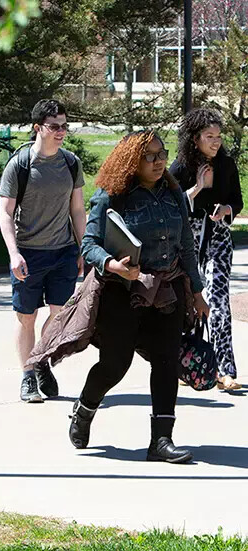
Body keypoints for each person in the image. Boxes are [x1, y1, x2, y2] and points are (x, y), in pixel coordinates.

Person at [67, 130, 209, 463]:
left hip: (168, 292)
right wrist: (113, 265)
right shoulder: (112, 194)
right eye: (151, 156)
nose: (160, 161)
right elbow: (89, 245)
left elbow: (186, 245)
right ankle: (85, 407)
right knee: (115, 364)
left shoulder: (172, 193)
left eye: (162, 154)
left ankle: (161, 441)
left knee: (165, 362)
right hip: (124, 294)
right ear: (133, 160)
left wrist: (198, 290)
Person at [0, 99, 86, 403]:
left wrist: (83, 248)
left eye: (64, 126)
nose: (61, 132)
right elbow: (5, 213)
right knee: (27, 317)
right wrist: (13, 253)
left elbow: (77, 209)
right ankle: (28, 376)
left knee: (60, 315)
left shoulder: (71, 163)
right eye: (54, 127)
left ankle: (40, 361)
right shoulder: (20, 165)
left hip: (62, 251)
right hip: (28, 253)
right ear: (38, 128)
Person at [169, 108, 243, 392]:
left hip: (218, 240)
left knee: (218, 302)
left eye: (219, 136)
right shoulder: (180, 168)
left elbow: (237, 201)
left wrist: (226, 209)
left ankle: (226, 370)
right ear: (194, 138)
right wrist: (197, 188)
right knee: (186, 303)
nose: (216, 142)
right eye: (209, 136)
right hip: (186, 243)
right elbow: (172, 206)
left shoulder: (227, 165)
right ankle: (186, 364)